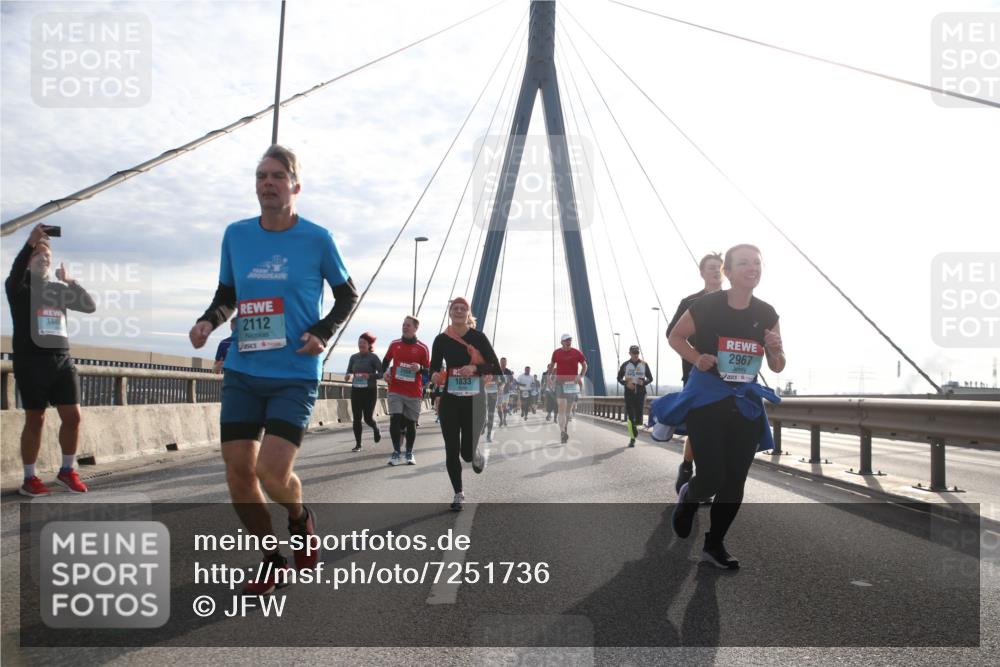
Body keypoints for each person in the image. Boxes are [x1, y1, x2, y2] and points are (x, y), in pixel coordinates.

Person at [189, 144, 359, 593]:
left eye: (277, 176)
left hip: (295, 373)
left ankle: (300, 518)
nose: (267, 182)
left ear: (295, 186)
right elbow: (227, 293)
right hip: (245, 371)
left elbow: (347, 295)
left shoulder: (317, 238)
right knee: (239, 475)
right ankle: (271, 558)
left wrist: (322, 332)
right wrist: (209, 321)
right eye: (261, 175)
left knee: (271, 473)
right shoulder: (236, 235)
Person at [665, 244, 784, 570]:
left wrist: (774, 350)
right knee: (713, 476)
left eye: (757, 262)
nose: (752, 267)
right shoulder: (707, 305)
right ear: (728, 273)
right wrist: (697, 358)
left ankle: (714, 544)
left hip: (744, 401)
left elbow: (777, 366)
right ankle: (690, 496)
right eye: (743, 263)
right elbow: (675, 337)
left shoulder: (767, 313)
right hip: (707, 397)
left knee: (734, 481)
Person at [7, 223, 97, 497]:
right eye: (38, 256)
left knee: (73, 417)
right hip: (31, 362)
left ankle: (67, 471)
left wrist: (70, 281)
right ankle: (29, 478)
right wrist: (29, 244)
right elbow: (12, 276)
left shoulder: (58, 290)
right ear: (29, 261)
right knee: (36, 419)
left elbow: (89, 306)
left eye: (47, 257)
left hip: (61, 360)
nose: (44, 260)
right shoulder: (20, 289)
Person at [430, 298, 501, 511]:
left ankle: (476, 454)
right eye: (455, 308)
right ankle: (458, 493)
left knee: (466, 453)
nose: (459, 311)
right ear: (450, 312)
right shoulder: (441, 339)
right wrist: (433, 374)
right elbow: (433, 366)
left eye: (463, 309)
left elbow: (495, 367)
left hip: (475, 400)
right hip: (450, 399)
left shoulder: (478, 337)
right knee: (451, 449)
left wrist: (475, 370)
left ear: (468, 314)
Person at [667, 253, 724, 491]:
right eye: (711, 268)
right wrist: (697, 356)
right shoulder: (690, 302)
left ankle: (704, 477)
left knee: (718, 430)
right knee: (700, 429)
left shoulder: (734, 302)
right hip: (696, 375)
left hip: (727, 378)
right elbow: (673, 334)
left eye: (720, 268)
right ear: (702, 273)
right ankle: (690, 468)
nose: (716, 272)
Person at [381, 315, 431, 465]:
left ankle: (409, 452)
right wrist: (385, 373)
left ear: (416, 328)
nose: (405, 327)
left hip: (413, 391)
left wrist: (420, 368)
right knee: (395, 420)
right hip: (395, 388)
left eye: (408, 325)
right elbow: (385, 361)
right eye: (403, 324)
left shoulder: (422, 348)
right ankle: (396, 452)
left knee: (411, 424)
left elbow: (429, 370)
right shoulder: (395, 344)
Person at [345, 332, 383, 452]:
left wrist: (370, 376)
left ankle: (375, 427)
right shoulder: (353, 357)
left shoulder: (373, 357)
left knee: (367, 418)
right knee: (356, 418)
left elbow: (382, 374)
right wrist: (348, 376)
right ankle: (358, 444)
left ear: (369, 345)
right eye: (359, 342)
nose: (361, 344)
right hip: (356, 390)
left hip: (370, 391)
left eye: (364, 343)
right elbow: (349, 371)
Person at [551, 333, 587, 443]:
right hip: (560, 383)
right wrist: (551, 378)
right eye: (566, 340)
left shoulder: (577, 353)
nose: (568, 342)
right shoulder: (556, 353)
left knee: (568, 410)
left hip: (572, 384)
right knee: (561, 407)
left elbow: (585, 365)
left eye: (570, 340)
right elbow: (552, 366)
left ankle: (565, 428)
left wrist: (580, 376)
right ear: (561, 342)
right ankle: (562, 432)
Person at [617, 345, 654, 447]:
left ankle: (635, 427)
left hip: (641, 393)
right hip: (629, 392)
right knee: (630, 415)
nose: (635, 355)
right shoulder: (625, 365)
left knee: (638, 417)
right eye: (633, 353)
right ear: (630, 353)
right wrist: (626, 383)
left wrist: (644, 382)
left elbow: (650, 378)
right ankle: (632, 438)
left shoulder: (644, 364)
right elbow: (619, 378)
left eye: (637, 353)